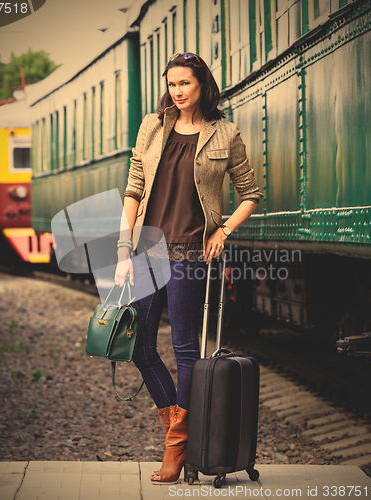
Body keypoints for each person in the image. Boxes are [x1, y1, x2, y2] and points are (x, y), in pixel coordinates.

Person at [115, 52, 264, 485]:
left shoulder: (226, 133)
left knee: (184, 352)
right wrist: (124, 246)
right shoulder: (152, 126)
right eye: (172, 84)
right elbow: (134, 187)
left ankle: (176, 449)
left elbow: (252, 193)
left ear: (203, 85)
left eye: (186, 83)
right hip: (147, 249)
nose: (178, 91)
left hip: (189, 255)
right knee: (140, 347)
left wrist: (224, 231)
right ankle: (178, 430)